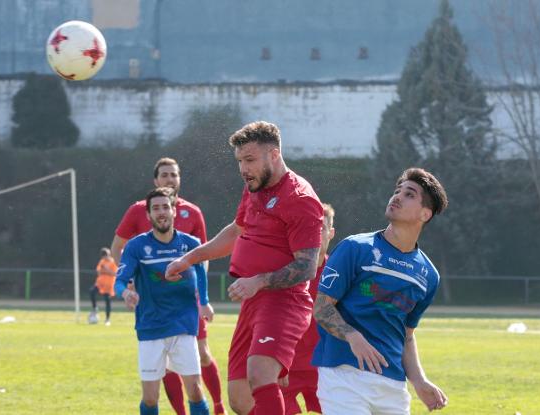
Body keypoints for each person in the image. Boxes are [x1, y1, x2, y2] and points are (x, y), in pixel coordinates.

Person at [166, 121, 324, 415]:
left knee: (260, 374)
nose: (243, 168)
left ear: (274, 154)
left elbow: (306, 267)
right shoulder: (253, 187)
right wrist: (189, 258)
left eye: (249, 160)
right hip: (252, 301)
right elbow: (236, 231)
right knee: (240, 399)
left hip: (283, 302)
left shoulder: (300, 199)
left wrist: (259, 281)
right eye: (239, 161)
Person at [312, 167, 449, 414]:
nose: (396, 197)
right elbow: (321, 307)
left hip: (393, 386)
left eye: (409, 194)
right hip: (343, 376)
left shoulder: (429, 275)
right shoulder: (354, 248)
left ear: (425, 214)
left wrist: (418, 380)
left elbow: (406, 335)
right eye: (397, 191)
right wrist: (353, 337)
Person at [111, 157, 226, 415]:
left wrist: (203, 301)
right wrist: (127, 290)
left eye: (166, 207)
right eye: (156, 208)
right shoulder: (137, 245)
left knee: (196, 388)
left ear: (174, 210)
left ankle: (217, 406)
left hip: (184, 322)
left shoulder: (190, 241)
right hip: (151, 323)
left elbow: (201, 265)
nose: (162, 212)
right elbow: (118, 280)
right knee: (150, 399)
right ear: (148, 213)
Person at [281, 203, 335, 415]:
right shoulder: (288, 271)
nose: (316, 233)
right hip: (288, 367)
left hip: (325, 367)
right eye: (311, 227)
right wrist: (279, 361)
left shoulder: (339, 273)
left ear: (331, 233)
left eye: (321, 227)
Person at [88, 247, 118, 326]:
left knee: (107, 301)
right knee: (92, 291)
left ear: (109, 255)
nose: (105, 257)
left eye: (106, 256)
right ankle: (95, 308)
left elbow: (115, 273)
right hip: (100, 283)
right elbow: (98, 271)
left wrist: (107, 270)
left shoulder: (113, 262)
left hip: (108, 284)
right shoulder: (102, 261)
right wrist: (103, 270)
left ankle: (107, 319)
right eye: (103, 256)